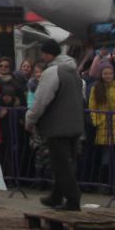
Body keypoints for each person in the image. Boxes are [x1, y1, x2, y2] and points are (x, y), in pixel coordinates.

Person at [25, 40, 85, 211]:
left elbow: (41, 100)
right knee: (66, 163)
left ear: (48, 54)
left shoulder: (52, 72)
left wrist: (30, 119)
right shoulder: (74, 72)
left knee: (60, 165)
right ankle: (56, 196)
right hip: (75, 124)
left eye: (43, 53)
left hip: (58, 126)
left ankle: (73, 199)